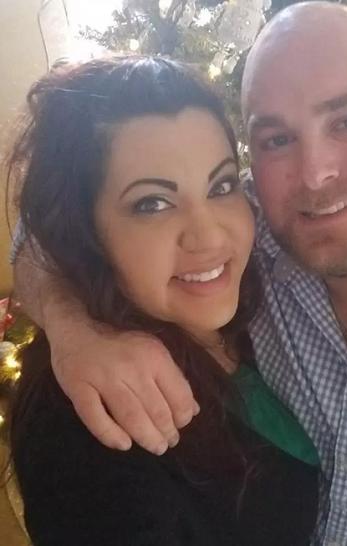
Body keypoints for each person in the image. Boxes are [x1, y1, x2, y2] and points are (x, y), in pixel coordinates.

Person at [12, 2, 347, 545]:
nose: (314, 176)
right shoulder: (250, 230)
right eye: (276, 139)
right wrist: (76, 331)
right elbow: (45, 232)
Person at [6, 55, 319, 546]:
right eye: (152, 203)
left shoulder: (275, 261)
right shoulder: (91, 419)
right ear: (84, 230)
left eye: (221, 185)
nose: (208, 235)